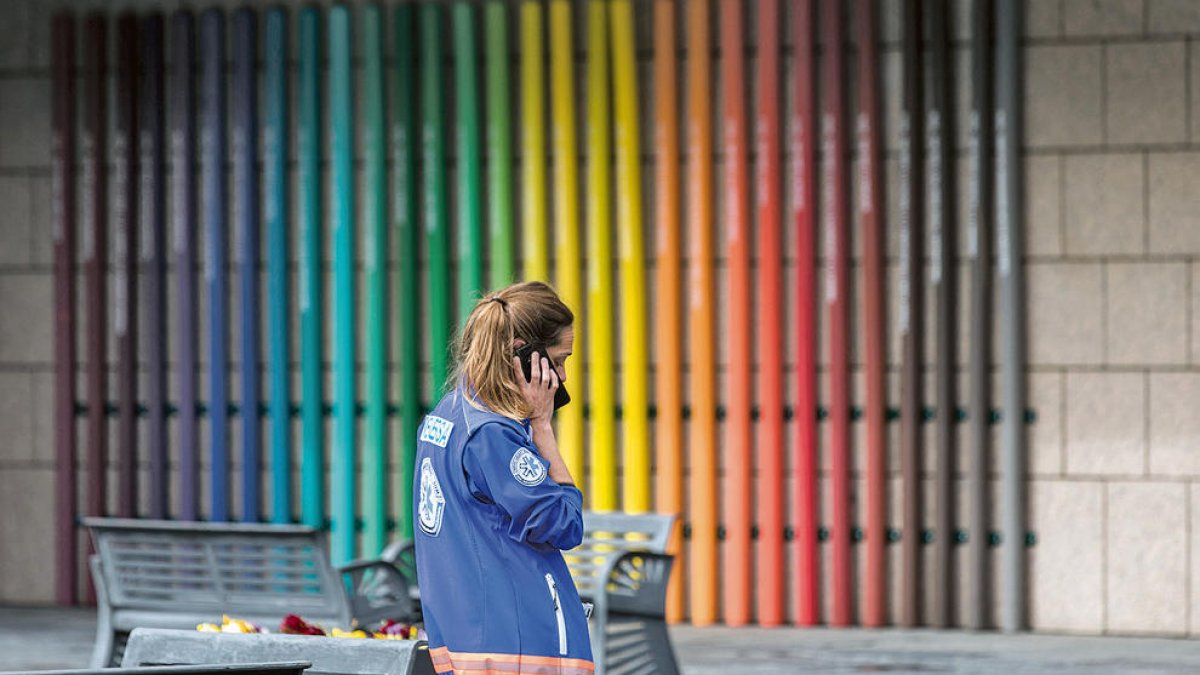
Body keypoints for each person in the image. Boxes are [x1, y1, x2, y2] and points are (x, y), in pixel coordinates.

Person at [413, 280, 594, 675]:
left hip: (469, 638)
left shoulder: (446, 415)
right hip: (516, 645)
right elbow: (564, 525)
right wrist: (542, 426)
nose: (562, 376)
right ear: (524, 355)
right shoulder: (493, 435)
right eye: (559, 360)